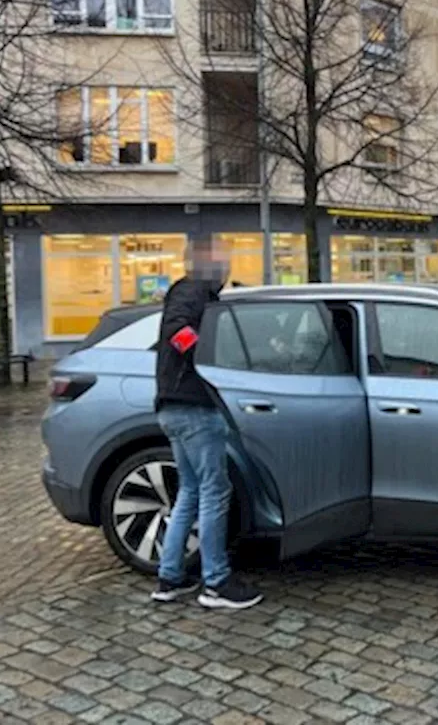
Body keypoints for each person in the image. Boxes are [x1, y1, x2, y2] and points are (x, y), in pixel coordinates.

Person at [151, 237, 262, 610]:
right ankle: (215, 582)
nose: (226, 268)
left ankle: (169, 578)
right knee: (215, 491)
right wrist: (208, 355)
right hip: (194, 407)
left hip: (174, 407)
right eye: (221, 262)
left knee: (191, 492)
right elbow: (178, 331)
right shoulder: (192, 291)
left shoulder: (194, 293)